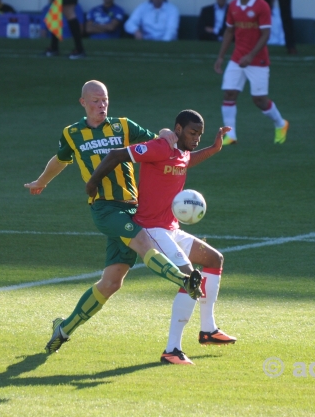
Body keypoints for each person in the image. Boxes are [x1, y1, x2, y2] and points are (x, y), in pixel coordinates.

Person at [24, 80, 203, 355]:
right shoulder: (72, 134)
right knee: (145, 243)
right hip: (106, 208)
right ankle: (183, 281)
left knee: (112, 282)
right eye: (95, 101)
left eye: (105, 100)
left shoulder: (123, 126)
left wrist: (167, 131)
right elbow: (60, 160)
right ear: (83, 102)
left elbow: (157, 137)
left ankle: (63, 328)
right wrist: (41, 181)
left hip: (132, 208)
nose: (101, 105)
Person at [86, 110, 237, 365]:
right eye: (192, 133)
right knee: (190, 277)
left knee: (214, 259)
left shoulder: (182, 151)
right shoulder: (158, 147)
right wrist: (93, 183)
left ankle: (208, 330)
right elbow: (116, 155)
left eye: (199, 134)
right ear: (177, 129)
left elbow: (187, 160)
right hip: (151, 230)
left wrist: (213, 148)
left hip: (171, 228)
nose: (196, 139)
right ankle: (172, 350)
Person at [213, 0, 289, 145]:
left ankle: (280, 123)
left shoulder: (262, 6)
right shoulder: (233, 6)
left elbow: (266, 34)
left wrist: (251, 55)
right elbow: (229, 31)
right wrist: (220, 57)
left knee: (259, 100)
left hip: (258, 61)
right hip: (237, 58)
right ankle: (230, 135)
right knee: (229, 93)